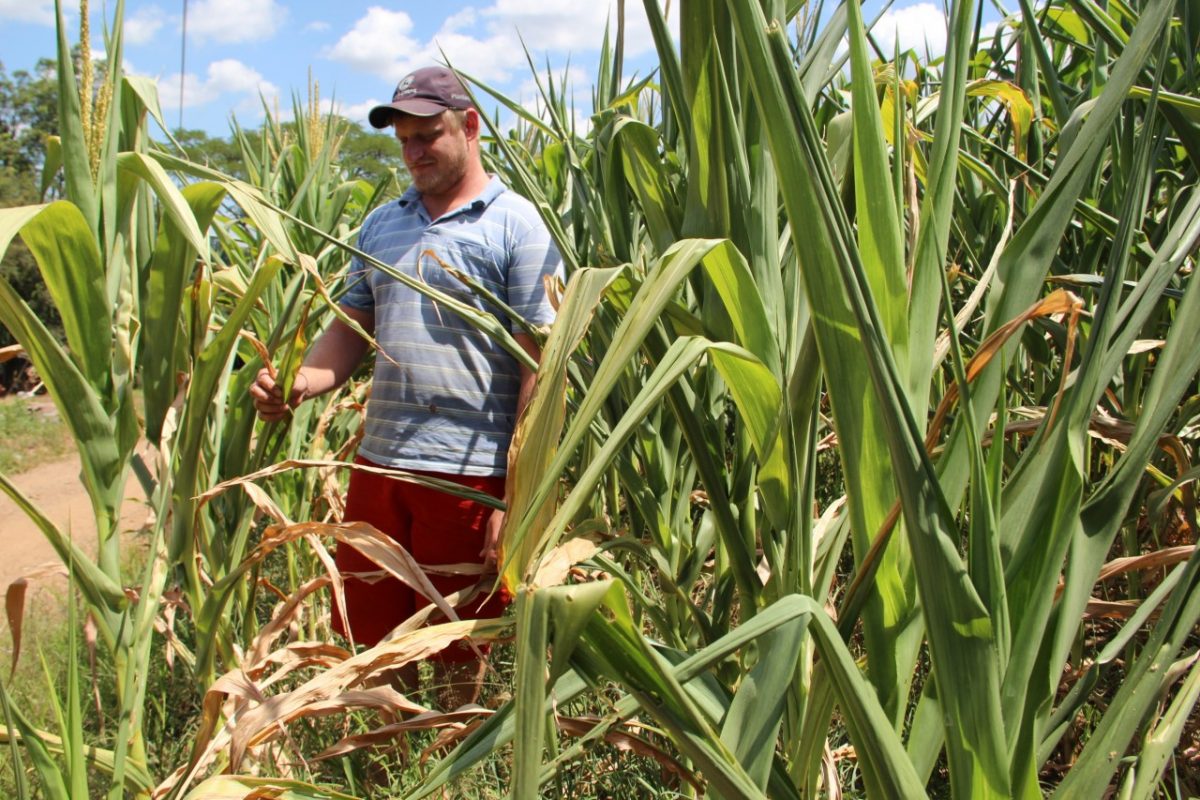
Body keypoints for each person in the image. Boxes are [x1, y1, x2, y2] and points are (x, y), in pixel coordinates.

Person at [249, 65, 561, 708]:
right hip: (381, 466)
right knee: (376, 634)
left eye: (429, 135)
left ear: (470, 127)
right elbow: (349, 332)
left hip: (469, 476)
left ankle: (450, 765)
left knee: (459, 639)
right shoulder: (382, 226)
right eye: (404, 140)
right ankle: (393, 752)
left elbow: (541, 359)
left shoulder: (516, 225)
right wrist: (301, 383)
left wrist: (518, 486)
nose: (414, 152)